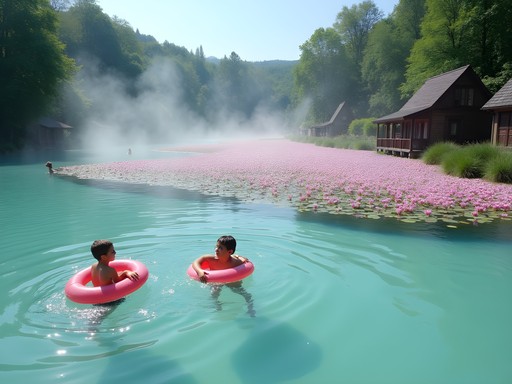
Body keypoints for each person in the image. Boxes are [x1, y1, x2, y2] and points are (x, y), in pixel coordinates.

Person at [192, 235, 255, 316]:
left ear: (229, 252)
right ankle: (218, 307)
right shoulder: (211, 259)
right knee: (214, 294)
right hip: (216, 281)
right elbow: (195, 262)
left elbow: (246, 262)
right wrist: (199, 271)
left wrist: (239, 257)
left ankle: (250, 308)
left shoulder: (235, 262)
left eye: (220, 248)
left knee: (244, 294)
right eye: (216, 246)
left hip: (231, 280)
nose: (216, 249)